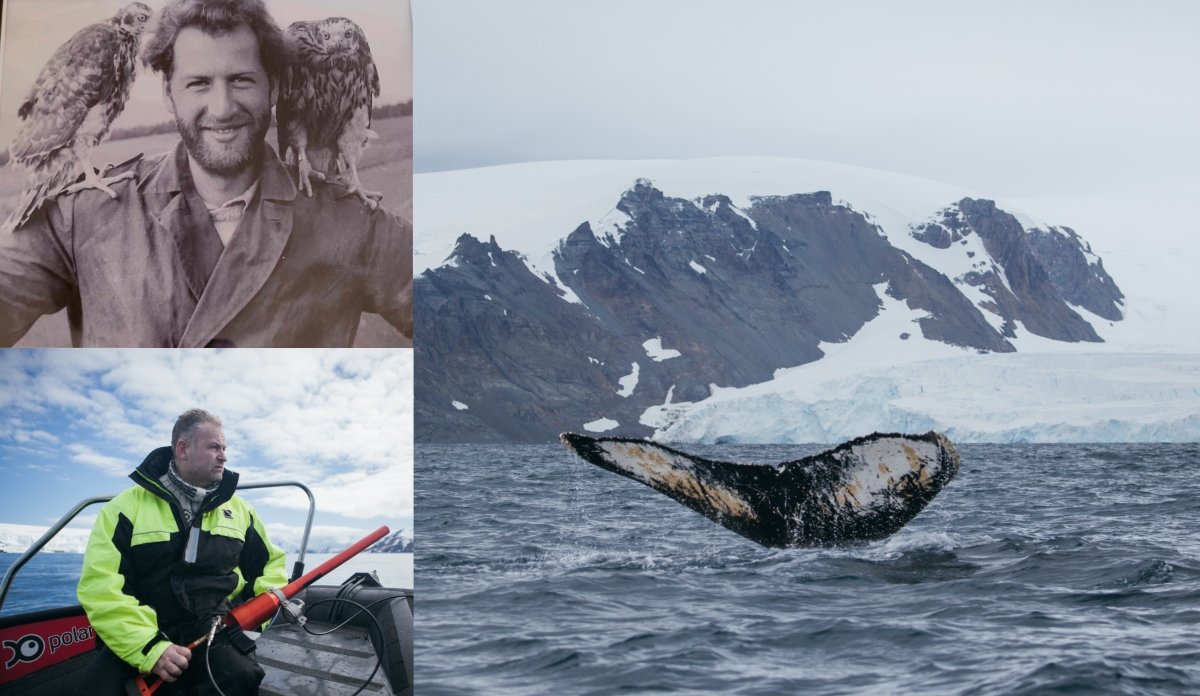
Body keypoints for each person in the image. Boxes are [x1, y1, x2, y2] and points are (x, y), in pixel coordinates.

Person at [0, 0, 412, 347]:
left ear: (273, 87)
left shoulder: (355, 222)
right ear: (168, 93)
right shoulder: (81, 215)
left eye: (241, 80)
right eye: (198, 83)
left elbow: (460, 314)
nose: (222, 108)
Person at [77, 409, 288, 695]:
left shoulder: (241, 511)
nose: (224, 456)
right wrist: (150, 648)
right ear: (182, 449)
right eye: (214, 447)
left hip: (215, 628)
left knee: (240, 676)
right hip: (145, 629)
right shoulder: (124, 509)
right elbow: (101, 589)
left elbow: (270, 569)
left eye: (224, 448)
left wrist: (251, 620)